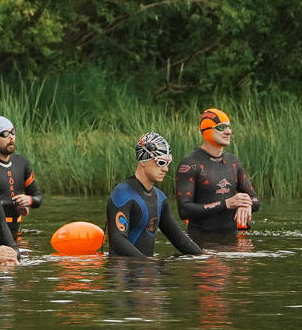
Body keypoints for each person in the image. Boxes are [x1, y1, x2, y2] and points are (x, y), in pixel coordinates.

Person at [107, 133, 202, 258]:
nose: (166, 169)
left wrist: (205, 257)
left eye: (168, 163)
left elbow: (179, 239)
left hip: (147, 268)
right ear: (143, 161)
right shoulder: (123, 194)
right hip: (125, 268)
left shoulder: (160, 198)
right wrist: (147, 263)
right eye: (161, 162)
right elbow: (118, 242)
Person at [177, 108, 259, 240]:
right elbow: (184, 210)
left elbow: (255, 199)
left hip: (232, 242)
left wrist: (247, 204)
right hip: (201, 243)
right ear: (207, 130)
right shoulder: (190, 163)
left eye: (229, 127)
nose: (229, 132)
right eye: (221, 127)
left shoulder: (233, 162)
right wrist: (226, 204)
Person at [0, 116, 39, 227]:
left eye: (13, 132)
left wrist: (29, 200)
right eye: (5, 134)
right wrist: (14, 204)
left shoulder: (21, 162)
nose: (11, 137)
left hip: (15, 231)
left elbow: (37, 197)